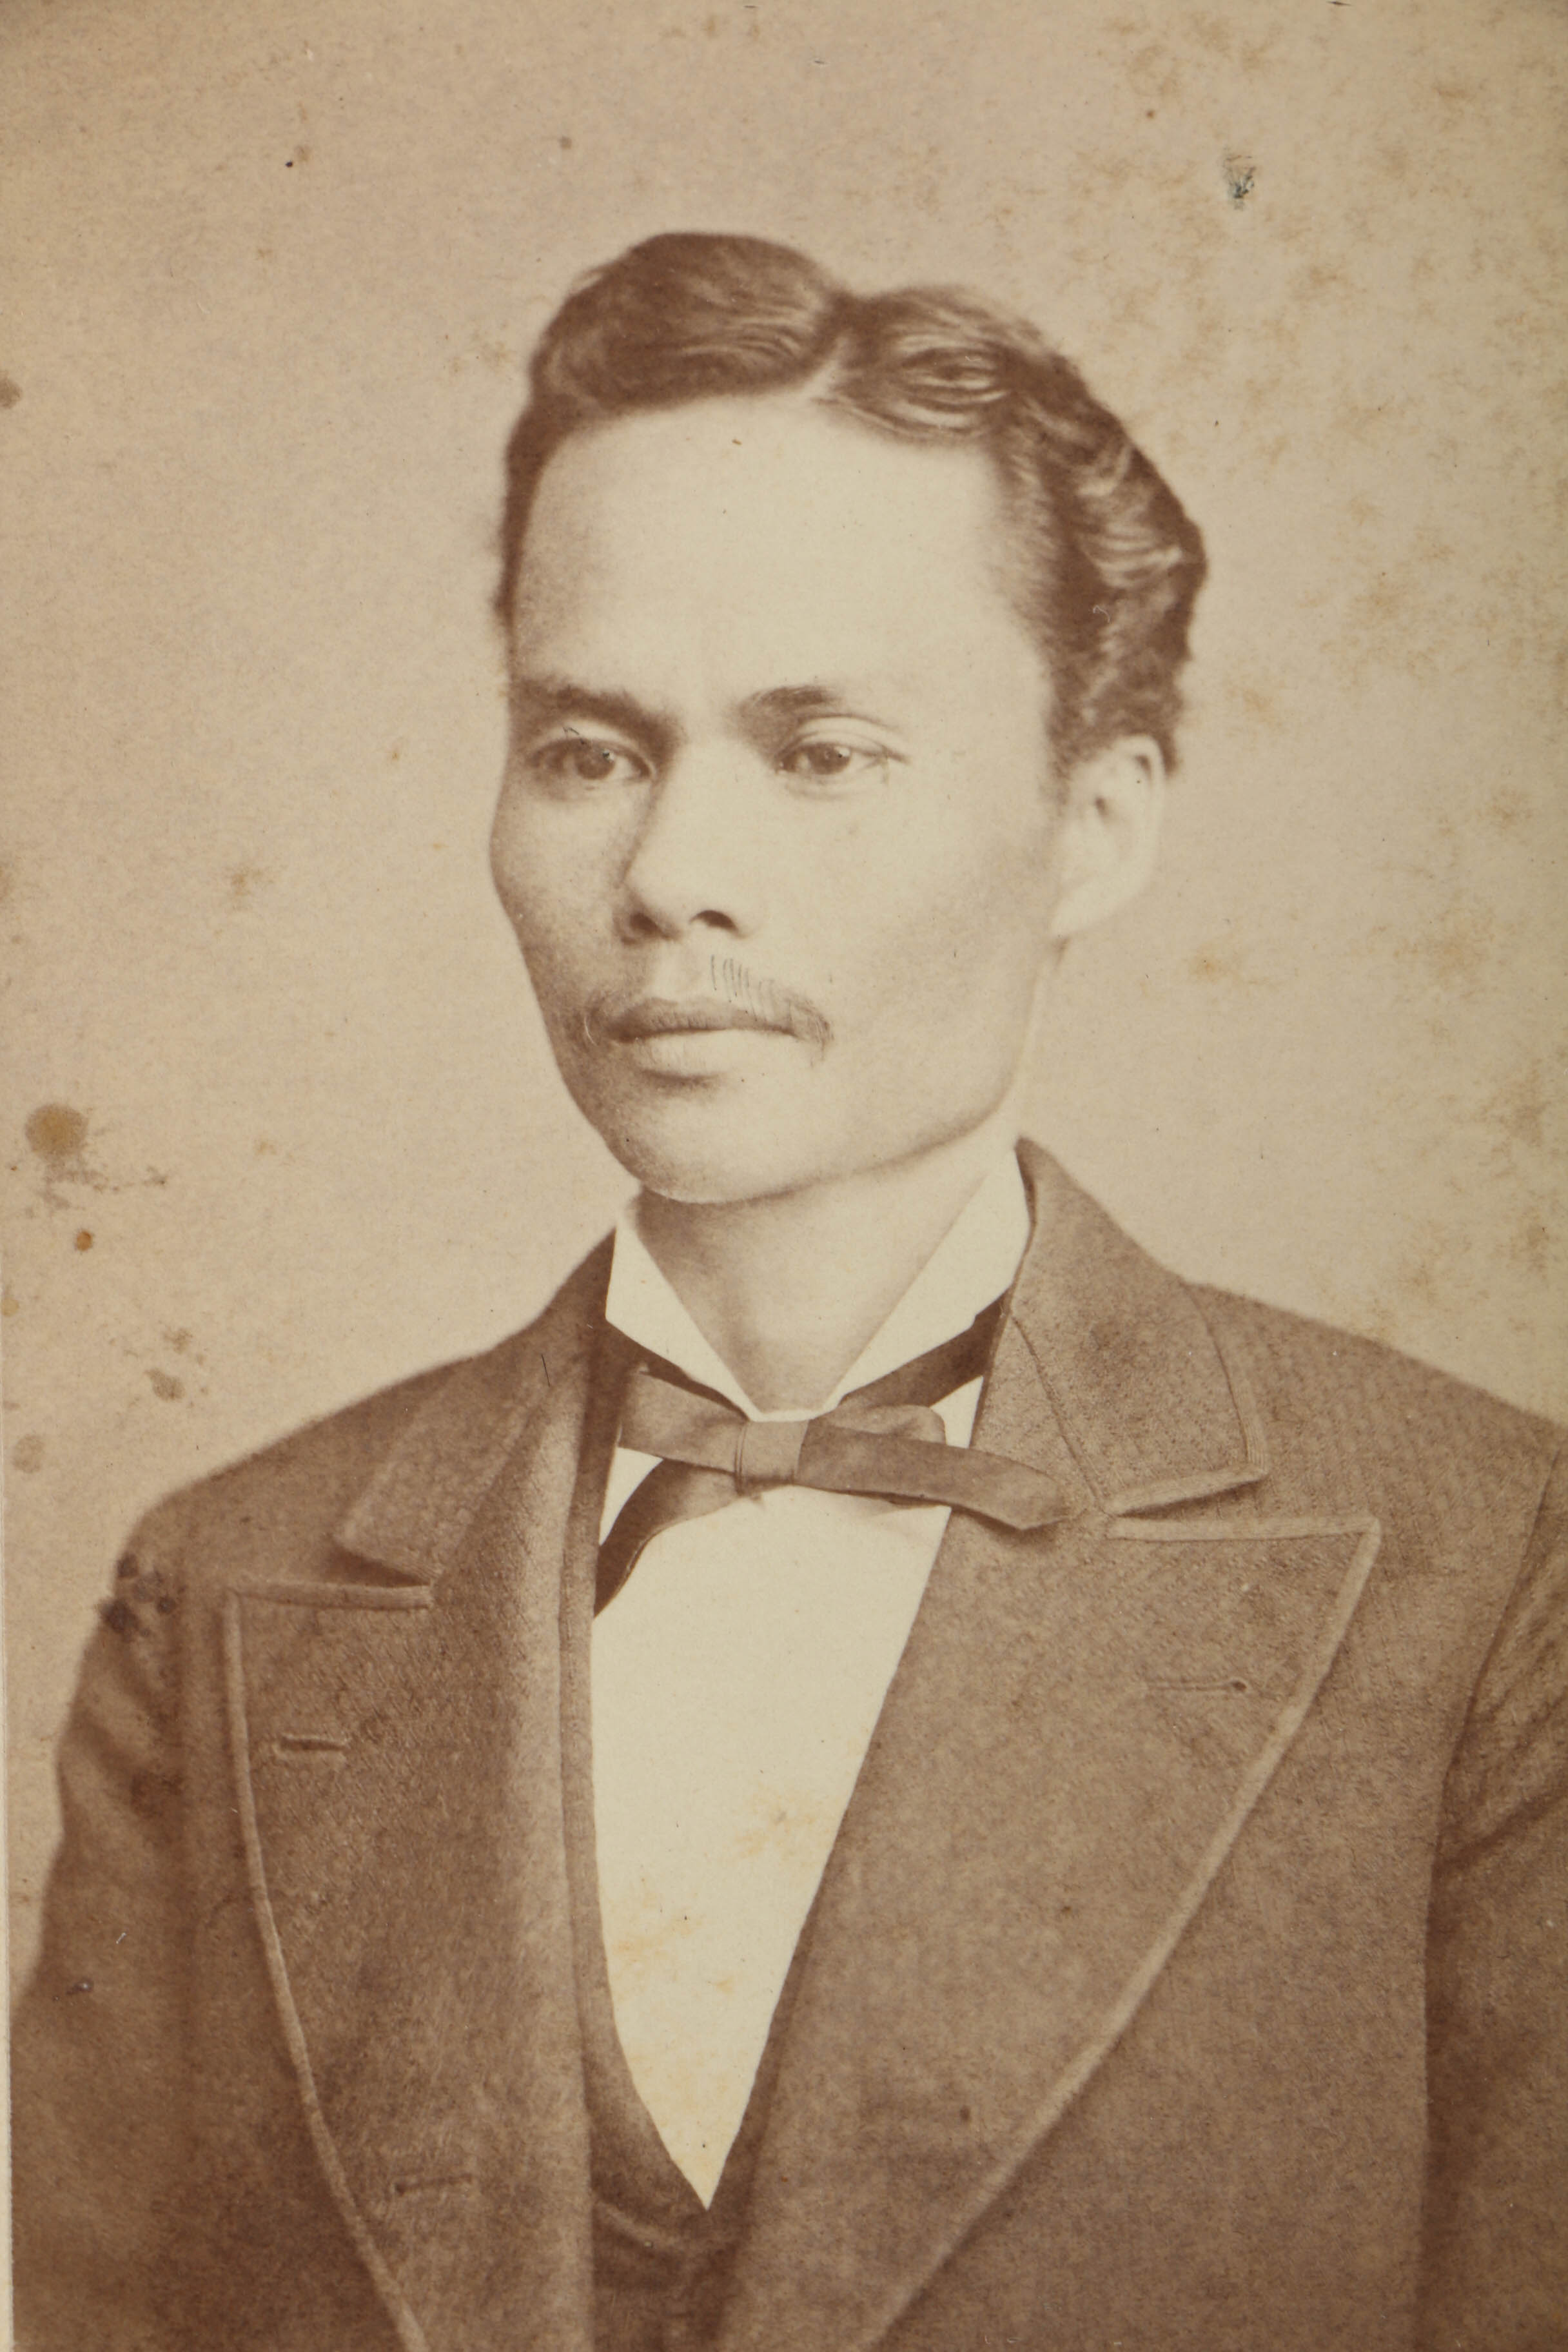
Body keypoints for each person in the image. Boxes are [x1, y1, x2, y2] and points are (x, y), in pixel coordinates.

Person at [12, 233, 1565, 2352]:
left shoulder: (1485, 1578)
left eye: (820, 750)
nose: (666, 874)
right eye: (587, 749)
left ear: (1096, 824)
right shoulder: (221, 1589)